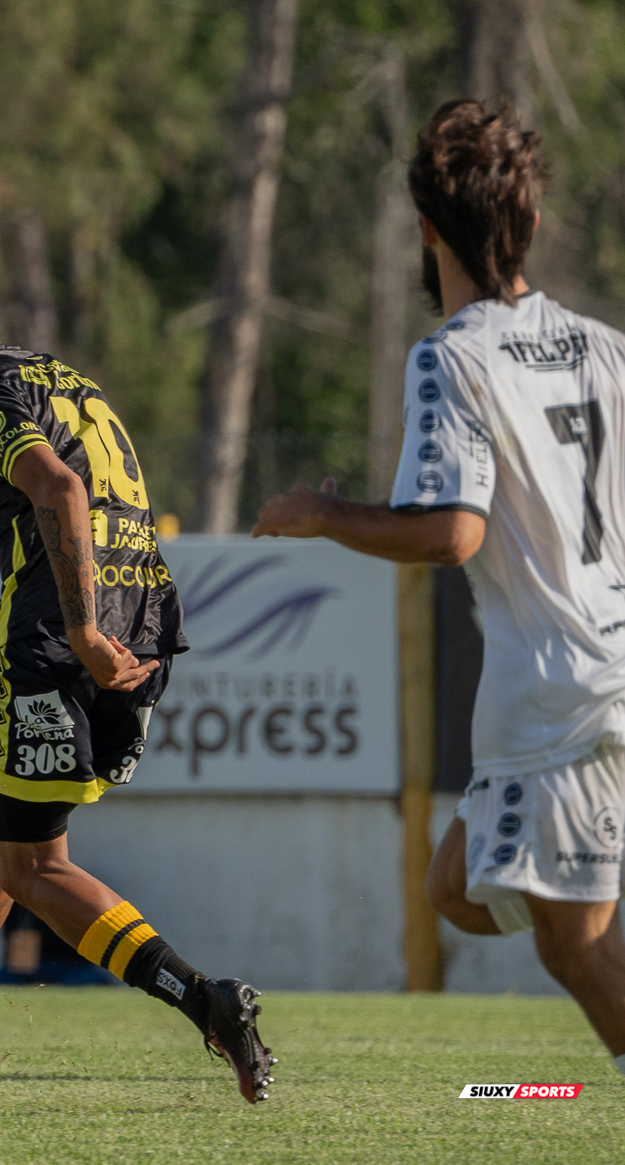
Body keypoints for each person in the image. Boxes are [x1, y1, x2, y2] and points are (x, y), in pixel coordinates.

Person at [0, 260, 276, 1103]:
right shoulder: (63, 379)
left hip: (60, 639)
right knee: (1, 864)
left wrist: (81, 633)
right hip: (144, 622)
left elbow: (60, 488)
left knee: (32, 867)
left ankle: (204, 1000)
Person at [254, 99, 625, 1077]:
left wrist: (321, 513)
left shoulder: (453, 357)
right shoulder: (605, 347)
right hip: (580, 681)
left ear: (426, 228)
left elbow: (451, 531)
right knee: (457, 888)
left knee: (575, 946)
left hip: (562, 698)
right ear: (531, 220)